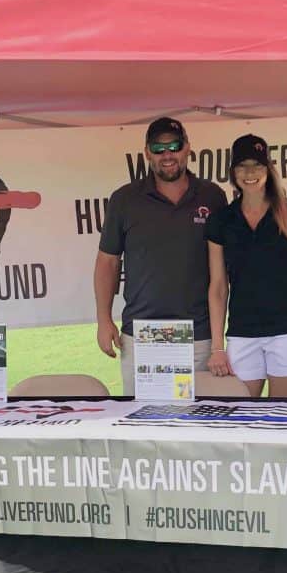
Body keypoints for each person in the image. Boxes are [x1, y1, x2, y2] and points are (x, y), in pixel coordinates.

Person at [95, 117, 228, 395]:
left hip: (198, 334)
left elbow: (222, 271)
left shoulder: (212, 196)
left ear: (188, 148)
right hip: (143, 334)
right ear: (147, 152)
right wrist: (103, 319)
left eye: (174, 146)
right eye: (158, 148)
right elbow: (108, 261)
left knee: (197, 424)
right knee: (142, 423)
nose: (167, 155)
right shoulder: (124, 199)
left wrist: (218, 343)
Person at [205, 133, 287, 398]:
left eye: (257, 165)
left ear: (269, 169)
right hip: (242, 331)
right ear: (232, 172)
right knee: (241, 421)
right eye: (242, 166)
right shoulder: (221, 220)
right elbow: (218, 287)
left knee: (283, 419)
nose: (250, 173)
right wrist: (217, 347)